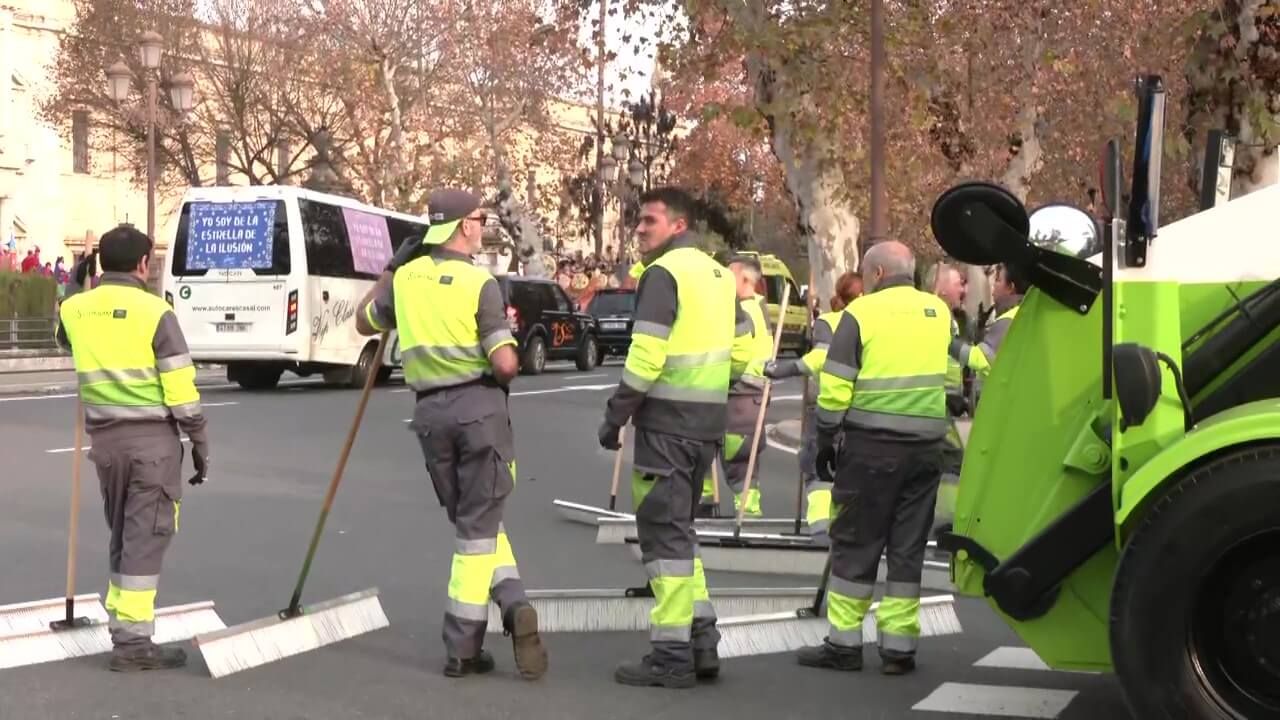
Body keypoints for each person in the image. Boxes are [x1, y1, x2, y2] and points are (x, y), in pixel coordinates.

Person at [355, 189, 548, 681]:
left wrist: (391, 270)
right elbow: (504, 364)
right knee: (475, 533)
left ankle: (511, 602)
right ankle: (464, 643)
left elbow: (363, 321)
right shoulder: (479, 283)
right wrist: (512, 355)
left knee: (474, 519)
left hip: (429, 415)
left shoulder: (407, 280)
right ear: (465, 226)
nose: (483, 225)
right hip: (478, 408)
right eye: (481, 218)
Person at [597, 186, 741, 689]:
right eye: (638, 220)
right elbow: (739, 351)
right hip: (706, 427)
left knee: (662, 537)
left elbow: (646, 357)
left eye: (649, 221)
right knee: (682, 532)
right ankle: (701, 641)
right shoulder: (721, 276)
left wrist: (616, 415)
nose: (639, 228)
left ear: (677, 226)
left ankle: (671, 655)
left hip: (667, 425)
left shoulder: (663, 274)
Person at [55, 224, 210, 672]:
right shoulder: (154, 311)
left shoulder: (77, 309)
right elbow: (181, 388)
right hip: (152, 448)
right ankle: (134, 646)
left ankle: (123, 628)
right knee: (146, 540)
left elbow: (63, 336)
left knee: (125, 535)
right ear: (145, 264)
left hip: (105, 446)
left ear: (100, 263)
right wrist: (199, 440)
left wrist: (72, 285)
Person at [800, 240, 951, 676]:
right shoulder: (937, 312)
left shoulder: (860, 314)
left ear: (878, 275)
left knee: (856, 542)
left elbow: (836, 386)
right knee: (907, 547)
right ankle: (899, 648)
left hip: (871, 448)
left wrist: (827, 439)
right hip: (925, 450)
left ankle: (844, 644)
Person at [763, 271, 862, 544]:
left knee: (818, 470)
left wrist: (779, 369)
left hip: (829, 408)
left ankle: (820, 530)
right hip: (864, 411)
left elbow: (818, 358)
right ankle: (847, 529)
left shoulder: (828, 323)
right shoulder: (872, 321)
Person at [698, 254, 772, 517]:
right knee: (720, 448)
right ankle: (715, 502)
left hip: (740, 390)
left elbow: (738, 352)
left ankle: (747, 512)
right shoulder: (760, 307)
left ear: (744, 279)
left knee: (735, 455)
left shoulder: (745, 311)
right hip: (748, 392)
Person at [949, 261, 1028, 407]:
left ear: (1010, 288)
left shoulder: (1009, 319)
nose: (993, 286)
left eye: (998, 280)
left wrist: (949, 343)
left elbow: (982, 359)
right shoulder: (1024, 315)